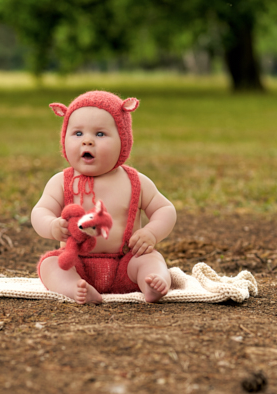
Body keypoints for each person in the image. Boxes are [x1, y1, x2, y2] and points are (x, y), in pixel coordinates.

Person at [31, 90, 176, 304]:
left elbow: (165, 209)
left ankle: (151, 284)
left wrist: (151, 234)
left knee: (150, 259)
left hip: (126, 264)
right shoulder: (61, 182)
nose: (87, 142)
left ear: (123, 139)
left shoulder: (135, 181)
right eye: (78, 133)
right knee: (50, 264)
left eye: (100, 134)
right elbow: (40, 211)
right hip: (78, 264)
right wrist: (52, 226)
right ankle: (75, 288)